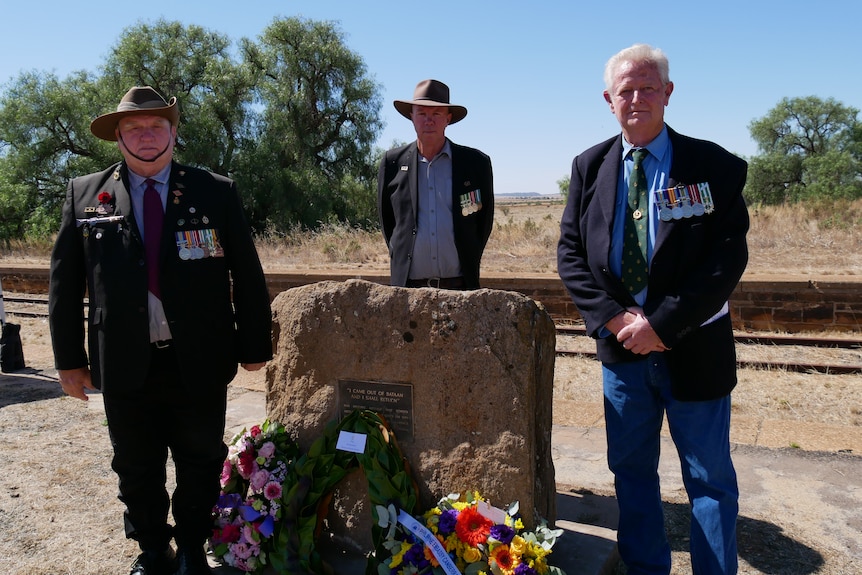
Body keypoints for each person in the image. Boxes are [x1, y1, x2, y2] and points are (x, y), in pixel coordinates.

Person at [48, 86, 273, 575]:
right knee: (135, 466)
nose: (146, 135)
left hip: (198, 357)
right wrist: (68, 361)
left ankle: (192, 545)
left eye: (156, 126)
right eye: (134, 128)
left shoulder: (214, 189)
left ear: (173, 133)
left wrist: (256, 344)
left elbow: (248, 273)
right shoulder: (86, 194)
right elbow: (65, 284)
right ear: (119, 137)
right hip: (124, 360)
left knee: (199, 461)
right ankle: (153, 549)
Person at [557, 44, 749, 575]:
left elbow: (726, 259)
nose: (637, 98)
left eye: (648, 87)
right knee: (632, 474)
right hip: (623, 355)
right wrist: (620, 322)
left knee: (709, 481)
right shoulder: (589, 166)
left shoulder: (713, 167)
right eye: (626, 90)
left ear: (668, 93)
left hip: (694, 349)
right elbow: (571, 256)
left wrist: (660, 325)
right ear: (608, 99)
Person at [377, 79, 494, 290]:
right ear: (411, 118)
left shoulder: (476, 164)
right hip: (407, 291)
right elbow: (389, 224)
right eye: (421, 114)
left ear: (447, 119)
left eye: (436, 114)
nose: (428, 121)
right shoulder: (392, 163)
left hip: (460, 288)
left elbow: (481, 223)